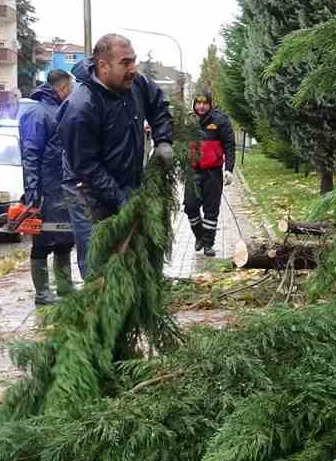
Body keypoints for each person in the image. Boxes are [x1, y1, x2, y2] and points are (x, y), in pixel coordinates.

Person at [57, 33, 174, 276]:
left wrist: (163, 140)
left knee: (132, 260)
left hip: (125, 182)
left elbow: (159, 106)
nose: (133, 68)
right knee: (99, 264)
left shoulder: (136, 84)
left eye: (134, 60)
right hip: (87, 194)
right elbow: (87, 167)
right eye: (125, 63)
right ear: (103, 66)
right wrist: (123, 201)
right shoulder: (81, 107)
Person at [16, 70, 76, 305]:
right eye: (70, 88)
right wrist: (33, 193)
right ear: (62, 89)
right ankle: (42, 293)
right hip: (45, 190)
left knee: (65, 237)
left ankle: (64, 287)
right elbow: (30, 155)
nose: (72, 93)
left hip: (63, 188)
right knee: (42, 240)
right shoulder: (37, 113)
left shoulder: (60, 111)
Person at [183, 90, 237, 257]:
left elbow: (229, 145)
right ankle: (199, 235)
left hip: (213, 172)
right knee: (190, 207)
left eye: (204, 103)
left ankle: (208, 244)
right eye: (198, 103)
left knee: (211, 210)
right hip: (192, 171)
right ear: (194, 104)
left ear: (210, 104)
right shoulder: (188, 121)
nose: (201, 106)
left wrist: (229, 169)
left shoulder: (220, 121)